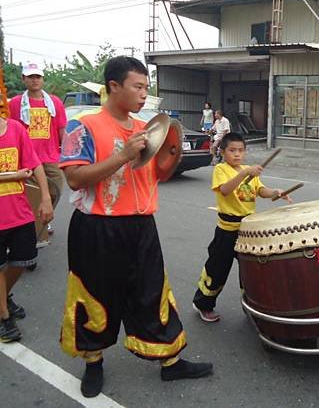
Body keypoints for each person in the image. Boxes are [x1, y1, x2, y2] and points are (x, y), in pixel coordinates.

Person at [59, 56, 212, 398]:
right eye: (137, 87)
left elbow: (154, 176)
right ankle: (93, 361)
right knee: (96, 296)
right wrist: (122, 156)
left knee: (153, 293)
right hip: (97, 228)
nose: (144, 95)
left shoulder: (145, 130)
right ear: (114, 87)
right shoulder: (82, 126)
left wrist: (171, 156)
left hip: (141, 226)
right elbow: (74, 180)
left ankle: (170, 362)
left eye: (146, 87)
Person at [192, 132, 291, 322]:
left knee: (251, 270)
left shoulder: (248, 170)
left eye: (241, 150)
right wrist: (245, 173)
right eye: (232, 150)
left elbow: (260, 190)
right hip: (227, 231)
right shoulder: (222, 169)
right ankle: (203, 304)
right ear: (223, 152)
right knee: (217, 269)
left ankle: (251, 305)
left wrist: (276, 192)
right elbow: (225, 190)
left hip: (248, 231)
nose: (237, 154)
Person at [0, 116, 53, 342]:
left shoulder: (15, 128)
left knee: (24, 260)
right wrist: (14, 176)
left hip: (19, 213)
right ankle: (3, 318)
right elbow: (22, 172)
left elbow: (35, 164)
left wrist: (45, 197)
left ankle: (4, 297)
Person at [8, 62, 66, 245]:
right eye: (30, 77)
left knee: (56, 189)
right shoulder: (16, 103)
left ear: (42, 79)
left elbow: (62, 129)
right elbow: (9, 130)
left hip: (50, 157)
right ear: (23, 79)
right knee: (32, 195)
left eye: (38, 77)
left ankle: (44, 215)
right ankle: (37, 227)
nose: (34, 80)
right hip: (27, 159)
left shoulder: (54, 102)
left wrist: (67, 154)